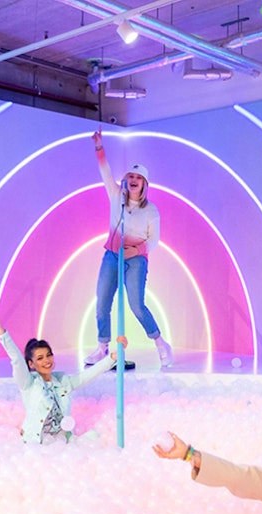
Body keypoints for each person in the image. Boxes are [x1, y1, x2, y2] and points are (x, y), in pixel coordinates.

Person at [84, 127, 172, 369]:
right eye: (130, 177)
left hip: (136, 258)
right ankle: (103, 347)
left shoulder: (151, 210)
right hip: (112, 254)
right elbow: (105, 171)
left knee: (136, 304)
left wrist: (136, 251)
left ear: (144, 184)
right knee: (102, 301)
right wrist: (99, 147)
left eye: (138, 178)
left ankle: (160, 343)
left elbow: (154, 240)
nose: (132, 181)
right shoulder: (116, 196)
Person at [0, 307, 126, 443]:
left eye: (49, 355)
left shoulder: (63, 381)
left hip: (61, 441)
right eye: (40, 358)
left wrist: (112, 357)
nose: (47, 361)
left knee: (95, 437)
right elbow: (17, 359)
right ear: (31, 364)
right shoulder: (28, 383)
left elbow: (87, 375)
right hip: (37, 442)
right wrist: (0, 329)